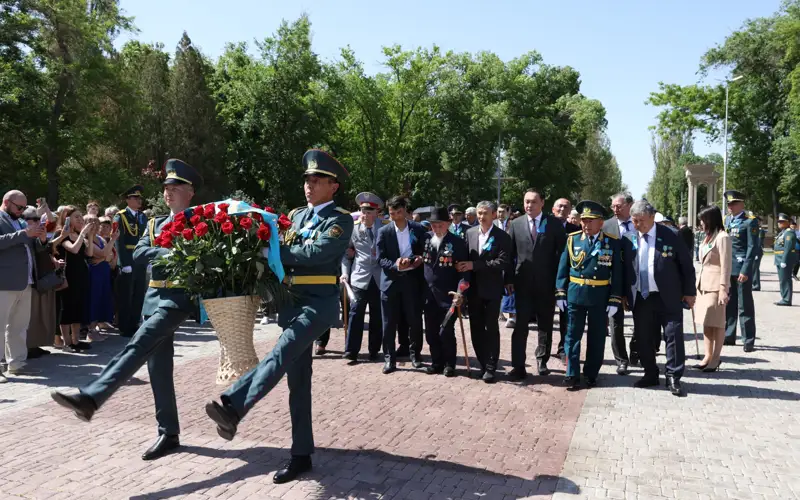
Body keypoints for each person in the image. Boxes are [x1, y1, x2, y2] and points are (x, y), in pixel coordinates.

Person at [204, 150, 353, 484]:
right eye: (307, 180)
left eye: (317, 180)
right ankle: (301, 454)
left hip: (318, 306)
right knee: (297, 383)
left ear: (334, 186)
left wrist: (273, 253)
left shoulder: (340, 220)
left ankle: (233, 406)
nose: (309, 185)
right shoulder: (296, 217)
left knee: (281, 353)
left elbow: (317, 254)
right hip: (291, 304)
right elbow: (279, 249)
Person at [52, 159, 204, 461]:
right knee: (158, 370)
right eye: (166, 189)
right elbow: (138, 254)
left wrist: (162, 251)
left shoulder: (199, 222)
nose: (168, 194)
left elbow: (195, 255)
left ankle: (93, 396)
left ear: (190, 192)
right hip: (153, 300)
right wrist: (170, 251)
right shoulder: (154, 223)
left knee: (137, 345)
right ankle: (168, 432)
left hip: (178, 300)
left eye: (175, 188)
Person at [628, 200, 696, 396]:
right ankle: (650, 373)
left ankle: (673, 377)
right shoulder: (628, 237)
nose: (637, 225)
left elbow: (686, 266)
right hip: (642, 296)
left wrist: (689, 292)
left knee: (673, 336)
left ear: (651, 217)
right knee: (643, 337)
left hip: (668, 295)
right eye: (634, 221)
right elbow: (625, 268)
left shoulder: (671, 235)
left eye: (641, 220)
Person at [556, 200, 622, 390]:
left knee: (597, 337)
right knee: (571, 336)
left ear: (601, 222)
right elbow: (563, 268)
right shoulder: (573, 239)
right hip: (575, 294)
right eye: (583, 220)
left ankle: (591, 373)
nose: (585, 224)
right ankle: (572, 373)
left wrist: (615, 298)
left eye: (590, 220)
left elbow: (617, 274)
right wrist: (560, 292)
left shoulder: (612, 243)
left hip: (599, 296)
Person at [505, 188, 567, 380]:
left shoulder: (554, 225)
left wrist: (559, 284)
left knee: (545, 325)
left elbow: (562, 256)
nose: (528, 205)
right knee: (520, 326)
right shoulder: (515, 224)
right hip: (522, 284)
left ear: (542, 203)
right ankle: (518, 365)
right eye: (526, 202)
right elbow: (509, 254)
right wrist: (508, 279)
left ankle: (542, 360)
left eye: (533, 202)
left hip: (546, 285)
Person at [457, 201, 511, 382]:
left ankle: (491, 366)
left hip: (492, 290)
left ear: (494, 215)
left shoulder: (502, 236)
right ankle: (482, 362)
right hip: (473, 291)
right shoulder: (470, 233)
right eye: (479, 213)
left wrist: (476, 265)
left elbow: (502, 262)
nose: (481, 216)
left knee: (491, 328)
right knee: (476, 328)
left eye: (485, 213)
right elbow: (465, 260)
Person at [376, 196, 427, 374]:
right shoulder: (384, 231)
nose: (396, 217)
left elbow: (424, 251)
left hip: (412, 281)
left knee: (414, 320)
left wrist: (419, 259)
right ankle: (390, 359)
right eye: (392, 214)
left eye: (399, 212)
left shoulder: (418, 229)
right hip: (390, 282)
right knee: (388, 323)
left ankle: (415, 356)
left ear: (405, 209)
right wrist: (396, 265)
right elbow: (380, 258)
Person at [0, 191, 46, 382]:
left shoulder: (18, 220)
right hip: (5, 282)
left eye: (23, 208)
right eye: (19, 207)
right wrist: (22, 234)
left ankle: (17, 364)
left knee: (19, 326)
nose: (21, 211)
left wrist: (40, 238)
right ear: (6, 202)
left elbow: (29, 245)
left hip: (24, 281)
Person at [421, 206, 469, 376]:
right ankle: (436, 362)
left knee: (446, 331)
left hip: (449, 296)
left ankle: (450, 364)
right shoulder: (426, 238)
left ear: (448, 224)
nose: (437, 228)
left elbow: (464, 271)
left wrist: (460, 292)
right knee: (431, 331)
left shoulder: (457, 243)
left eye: (440, 225)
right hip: (428, 295)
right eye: (434, 225)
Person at [341, 192, 387, 363]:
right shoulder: (353, 229)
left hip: (379, 278)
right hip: (359, 277)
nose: (365, 215)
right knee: (355, 313)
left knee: (377, 316)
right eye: (362, 211)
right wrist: (345, 272)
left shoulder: (385, 228)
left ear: (376, 213)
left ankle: (374, 350)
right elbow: (346, 254)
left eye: (369, 212)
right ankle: (351, 351)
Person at [693, 206, 731, 372]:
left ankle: (716, 357)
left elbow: (726, 265)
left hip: (716, 286)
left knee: (717, 322)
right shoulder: (708, 237)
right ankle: (707, 355)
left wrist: (724, 288)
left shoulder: (722, 237)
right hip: (703, 285)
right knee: (706, 321)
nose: (701, 223)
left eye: (703, 220)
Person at [602, 192, 637, 374]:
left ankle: (636, 350)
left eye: (619, 206)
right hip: (613, 280)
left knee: (641, 320)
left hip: (636, 279)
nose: (615, 209)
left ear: (629, 205)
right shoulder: (606, 226)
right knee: (615, 321)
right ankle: (621, 359)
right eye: (613, 206)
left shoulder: (639, 224)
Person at [53, 206, 95, 353]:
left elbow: (89, 254)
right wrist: (83, 233)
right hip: (68, 275)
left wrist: (89, 235)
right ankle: (66, 342)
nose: (80, 219)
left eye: (80, 216)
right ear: (67, 218)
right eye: (76, 216)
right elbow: (73, 249)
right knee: (67, 308)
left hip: (81, 275)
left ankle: (76, 340)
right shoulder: (62, 234)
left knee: (78, 308)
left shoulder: (79, 235)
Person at [722, 190, 758, 352]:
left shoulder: (750, 222)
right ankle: (729, 335)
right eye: (729, 204)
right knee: (729, 304)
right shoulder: (726, 220)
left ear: (742, 204)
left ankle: (748, 339)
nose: (730, 206)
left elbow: (752, 248)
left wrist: (746, 269)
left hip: (742, 268)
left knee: (745, 305)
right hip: (728, 268)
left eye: (733, 203)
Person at [22, 207, 58, 359]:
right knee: (26, 317)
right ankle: (26, 348)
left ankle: (33, 345)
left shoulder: (37, 235)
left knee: (36, 316)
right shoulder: (22, 233)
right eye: (34, 219)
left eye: (38, 219)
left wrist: (43, 240)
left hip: (37, 279)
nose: (38, 222)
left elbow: (44, 250)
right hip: (24, 281)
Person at [114, 185, 148, 337]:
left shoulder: (142, 216)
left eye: (139, 198)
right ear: (127, 200)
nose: (138, 200)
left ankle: (134, 323)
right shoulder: (120, 216)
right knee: (126, 294)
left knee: (138, 293)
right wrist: (124, 263)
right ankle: (124, 326)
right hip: (128, 258)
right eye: (135, 198)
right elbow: (118, 242)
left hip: (140, 260)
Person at [552, 197, 580, 363]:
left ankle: (564, 349)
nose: (562, 209)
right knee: (546, 315)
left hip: (567, 279)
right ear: (553, 209)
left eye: (566, 207)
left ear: (570, 211)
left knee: (566, 316)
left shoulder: (575, 230)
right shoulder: (545, 226)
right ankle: (544, 349)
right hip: (546, 276)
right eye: (559, 206)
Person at [85, 214, 118, 339]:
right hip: (93, 273)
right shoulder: (86, 239)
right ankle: (91, 330)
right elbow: (104, 253)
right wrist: (104, 255)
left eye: (96, 222)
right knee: (93, 299)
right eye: (91, 222)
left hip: (103, 272)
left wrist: (102, 258)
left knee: (102, 298)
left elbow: (110, 255)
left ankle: (99, 324)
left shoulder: (100, 238)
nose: (95, 225)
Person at [773, 213, 798, 306]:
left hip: (785, 259)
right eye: (779, 221)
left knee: (785, 279)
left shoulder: (789, 232)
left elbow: (788, 247)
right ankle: (784, 298)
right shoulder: (783, 232)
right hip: (779, 259)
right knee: (782, 279)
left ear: (787, 222)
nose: (779, 223)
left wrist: (784, 260)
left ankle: (787, 299)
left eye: (782, 221)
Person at [751, 218, 765, 291]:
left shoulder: (760, 230)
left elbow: (759, 242)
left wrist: (756, 253)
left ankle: (756, 285)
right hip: (753, 251)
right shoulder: (754, 229)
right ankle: (753, 284)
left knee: (755, 268)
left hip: (757, 251)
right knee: (752, 268)